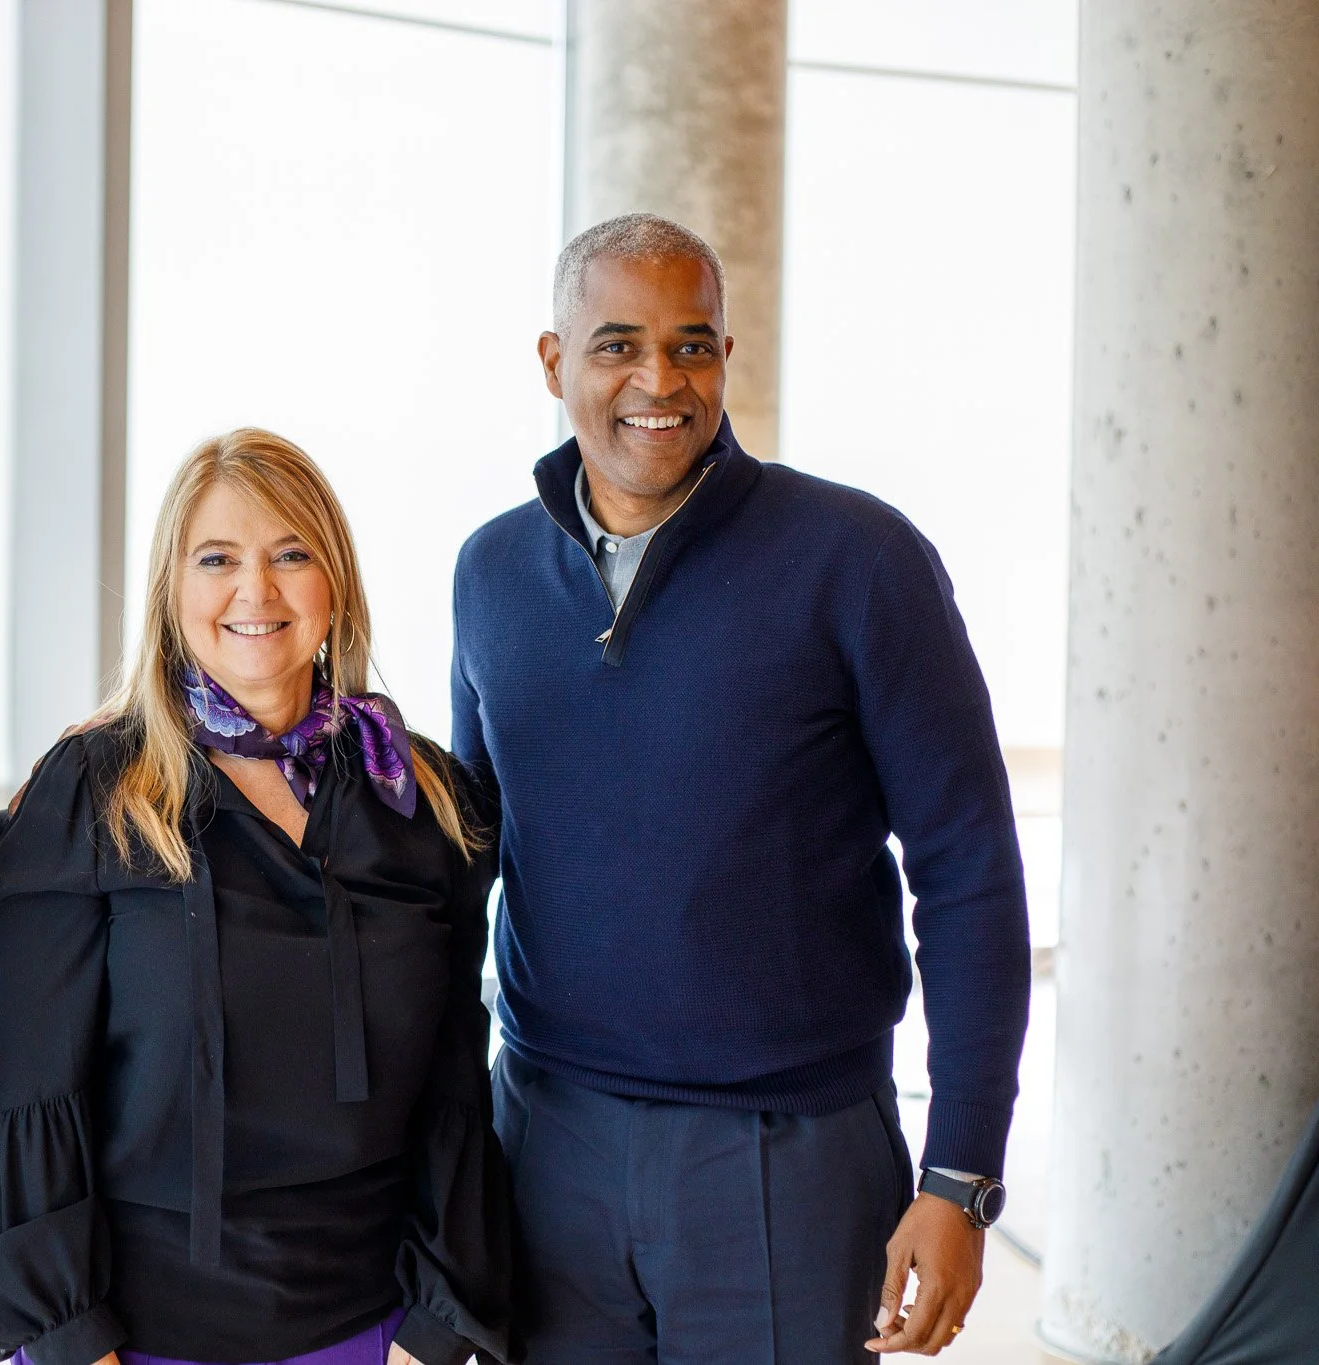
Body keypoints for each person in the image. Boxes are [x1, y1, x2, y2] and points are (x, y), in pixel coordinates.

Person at [450, 214, 1032, 1361]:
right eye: (615, 345)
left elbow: (967, 869)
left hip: (788, 1152)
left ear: (725, 353)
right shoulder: (490, 570)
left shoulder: (858, 559)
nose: (657, 381)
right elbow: (461, 867)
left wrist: (960, 1175)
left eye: (691, 345)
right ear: (553, 362)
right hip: (545, 1143)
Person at [0, 429, 510, 1365]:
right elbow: (37, 1094)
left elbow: (455, 1086)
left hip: (374, 1332)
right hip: (143, 1338)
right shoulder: (94, 791)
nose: (257, 590)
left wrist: (434, 1331)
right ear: (172, 591)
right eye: (217, 559)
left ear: (336, 583)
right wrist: (78, 1346)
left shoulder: (420, 798)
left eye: (291, 554)